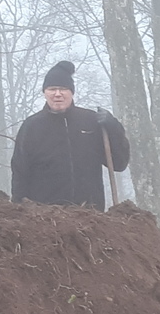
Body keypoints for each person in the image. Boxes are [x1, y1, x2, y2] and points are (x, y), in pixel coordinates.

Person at [9, 61, 130, 209]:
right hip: (44, 216)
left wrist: (113, 127)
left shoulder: (91, 121)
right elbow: (20, 171)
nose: (57, 94)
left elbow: (119, 163)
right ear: (45, 92)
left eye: (63, 89)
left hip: (90, 214)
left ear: (72, 92)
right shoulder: (31, 126)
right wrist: (18, 207)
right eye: (52, 89)